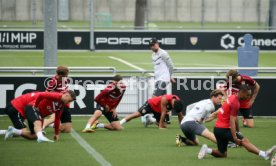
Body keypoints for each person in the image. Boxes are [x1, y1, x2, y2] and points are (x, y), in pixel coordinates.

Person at [197, 85, 276, 160]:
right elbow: (232, 121)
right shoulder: (235, 103)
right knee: (244, 141)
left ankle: (206, 150)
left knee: (222, 154)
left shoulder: (232, 97)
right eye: (247, 95)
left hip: (217, 129)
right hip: (225, 129)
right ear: (241, 92)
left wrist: (238, 131)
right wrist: (235, 137)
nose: (248, 97)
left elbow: (235, 118)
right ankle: (264, 154)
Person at [4, 91, 76, 143]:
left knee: (33, 135)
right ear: (66, 95)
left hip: (27, 108)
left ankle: (13, 130)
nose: (68, 102)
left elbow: (57, 119)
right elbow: (41, 95)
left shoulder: (61, 105)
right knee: (36, 124)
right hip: (16, 107)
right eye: (69, 100)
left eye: (70, 102)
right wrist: (36, 106)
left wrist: (56, 134)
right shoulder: (56, 95)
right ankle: (41, 137)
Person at [141, 38, 175, 124]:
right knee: (163, 100)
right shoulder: (153, 55)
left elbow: (171, 65)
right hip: (158, 79)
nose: (152, 46)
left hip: (163, 79)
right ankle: (166, 118)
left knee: (154, 99)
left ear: (157, 44)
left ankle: (151, 118)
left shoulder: (163, 53)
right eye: (151, 45)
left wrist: (170, 76)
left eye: (154, 44)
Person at [43, 66, 72, 133]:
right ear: (61, 75)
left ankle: (53, 125)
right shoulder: (54, 81)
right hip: (58, 103)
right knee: (53, 118)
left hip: (66, 104)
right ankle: (41, 127)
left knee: (67, 130)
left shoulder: (64, 79)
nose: (67, 75)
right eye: (66, 74)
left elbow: (64, 89)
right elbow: (46, 92)